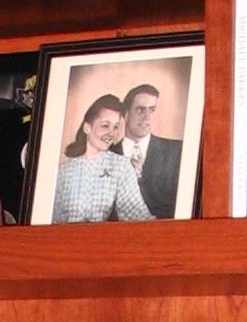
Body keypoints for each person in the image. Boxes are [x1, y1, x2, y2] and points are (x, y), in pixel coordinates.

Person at [50, 94, 154, 224]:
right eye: (105, 126)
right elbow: (52, 219)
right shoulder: (64, 170)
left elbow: (136, 214)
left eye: (115, 127)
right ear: (87, 127)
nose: (111, 133)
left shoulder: (121, 166)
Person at [117, 82, 183, 218]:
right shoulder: (106, 154)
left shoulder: (177, 151)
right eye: (140, 110)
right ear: (125, 114)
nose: (147, 117)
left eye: (151, 110)